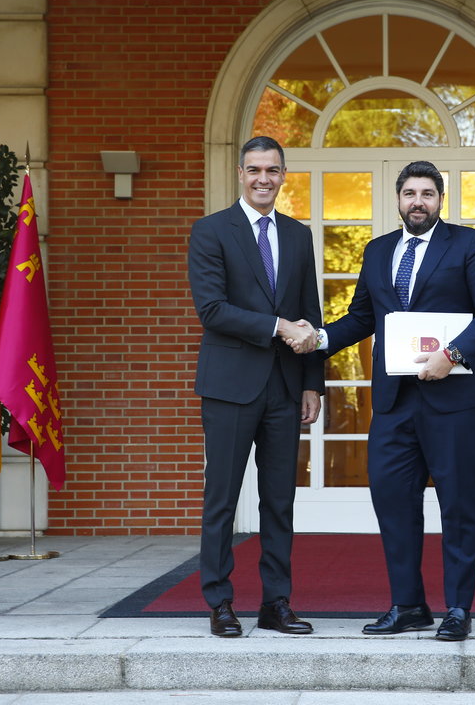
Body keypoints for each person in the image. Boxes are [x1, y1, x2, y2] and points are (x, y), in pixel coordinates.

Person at [315, 160, 475, 642]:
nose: (418, 201)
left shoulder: (468, 244)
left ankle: (459, 608)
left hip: (456, 397)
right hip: (395, 399)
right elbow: (362, 317)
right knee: (392, 500)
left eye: (427, 193)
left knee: (459, 503)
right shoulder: (378, 250)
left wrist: (453, 354)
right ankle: (408, 606)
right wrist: (318, 338)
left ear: (440, 200)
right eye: (409, 193)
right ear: (398, 200)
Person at [188, 136, 322, 637]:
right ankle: (220, 602)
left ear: (283, 174)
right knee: (221, 497)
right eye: (254, 170)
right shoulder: (210, 231)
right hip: (229, 386)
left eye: (272, 170)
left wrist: (313, 383)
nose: (263, 178)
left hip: (286, 388)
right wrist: (278, 328)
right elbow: (212, 309)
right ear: (240, 174)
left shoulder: (298, 234)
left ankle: (276, 603)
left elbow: (312, 311)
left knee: (279, 501)